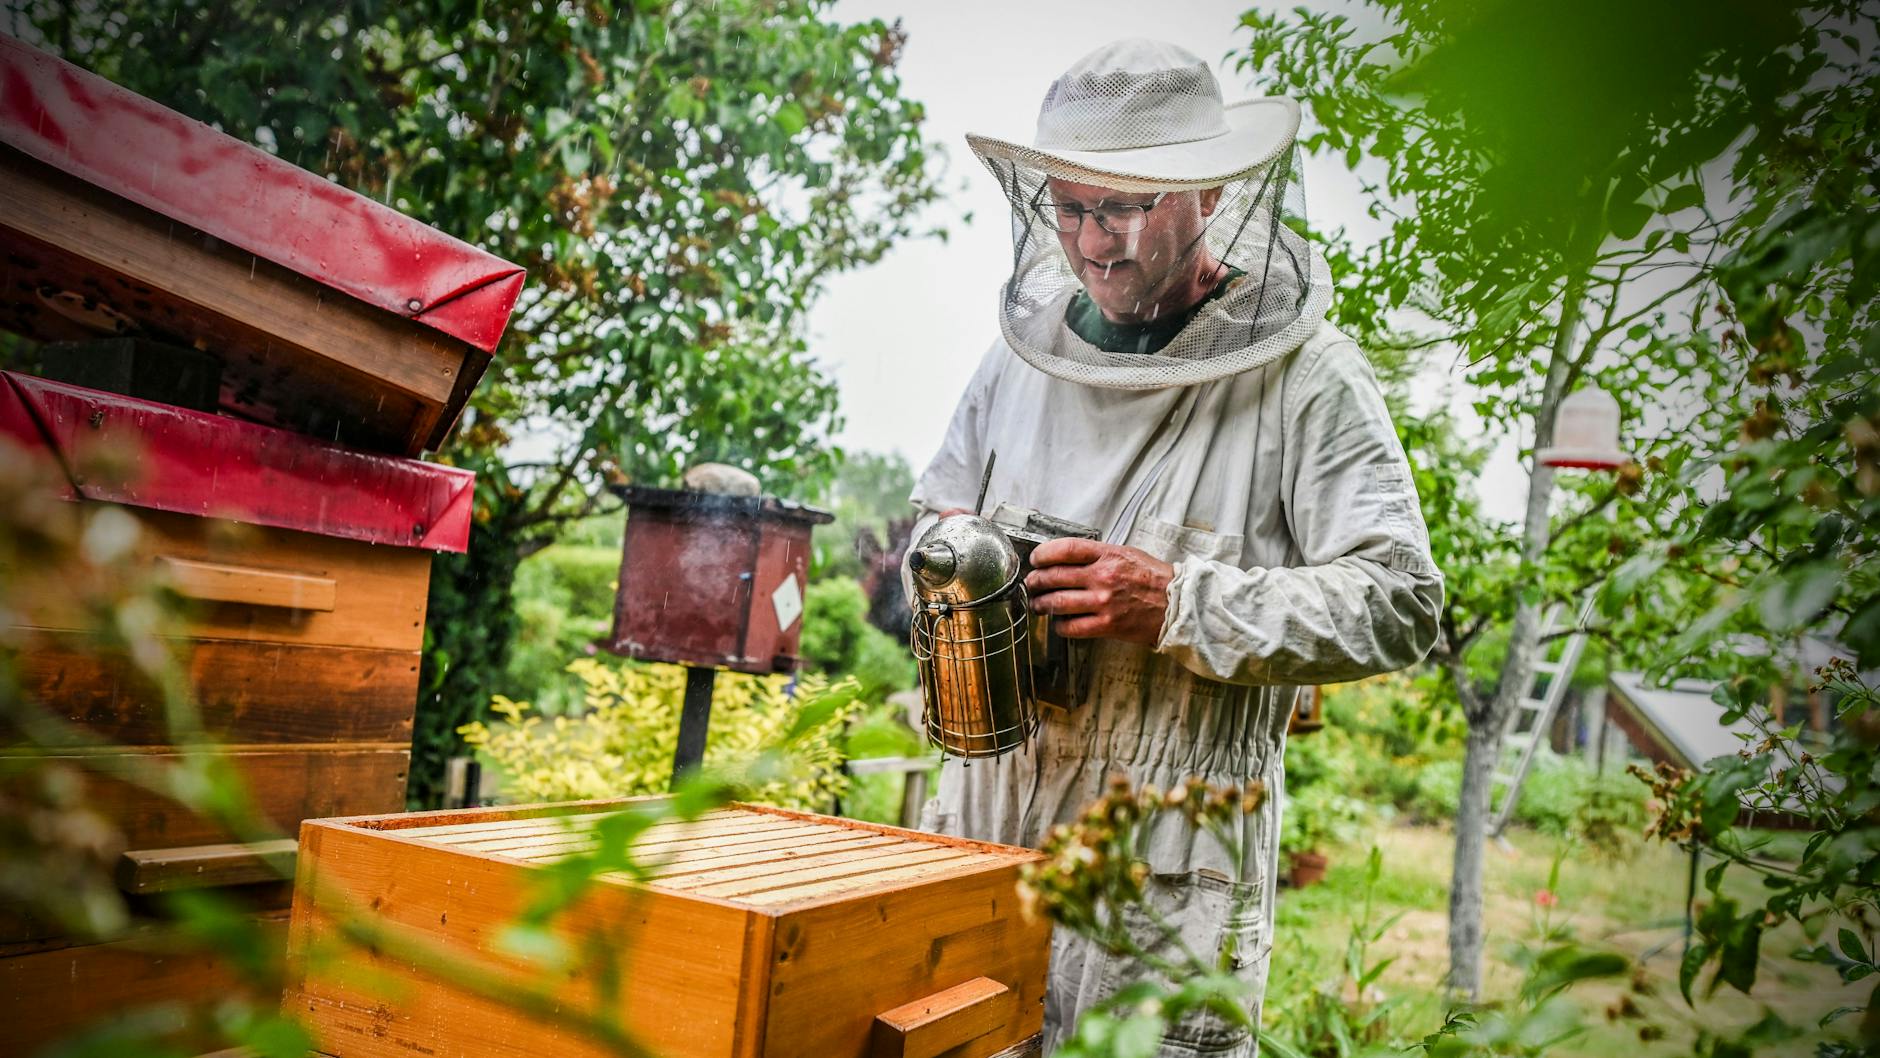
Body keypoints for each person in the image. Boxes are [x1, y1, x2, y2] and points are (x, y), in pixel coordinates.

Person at [907, 39, 1444, 1056]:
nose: (1093, 243)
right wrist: (949, 556)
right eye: (1068, 208)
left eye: (1122, 208)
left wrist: (1179, 603)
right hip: (983, 831)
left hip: (1165, 868)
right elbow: (937, 507)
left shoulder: (1308, 377)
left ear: (1206, 194)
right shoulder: (1013, 361)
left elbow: (1400, 600)